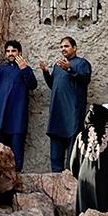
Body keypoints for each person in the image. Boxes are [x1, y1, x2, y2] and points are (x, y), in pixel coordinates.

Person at [40, 37, 93, 172]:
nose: (63, 49)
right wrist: (46, 73)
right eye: (61, 47)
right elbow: (53, 85)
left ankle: (71, 175)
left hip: (73, 111)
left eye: (66, 46)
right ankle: (56, 175)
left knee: (73, 144)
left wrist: (70, 69)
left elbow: (85, 79)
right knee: (56, 145)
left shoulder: (82, 63)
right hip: (58, 112)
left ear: (74, 48)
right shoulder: (58, 66)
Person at [0, 40, 38, 170]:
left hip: (17, 117)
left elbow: (33, 85)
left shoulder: (25, 69)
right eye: (8, 51)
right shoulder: (1, 69)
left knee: (16, 151)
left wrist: (25, 69)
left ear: (20, 52)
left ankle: (17, 176)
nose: (10, 53)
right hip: (0, 116)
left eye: (13, 51)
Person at [66, 103, 108, 216]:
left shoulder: (80, 136)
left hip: (85, 180)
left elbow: (73, 164)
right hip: (106, 180)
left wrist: (82, 176)